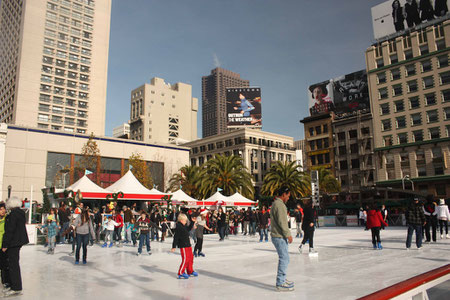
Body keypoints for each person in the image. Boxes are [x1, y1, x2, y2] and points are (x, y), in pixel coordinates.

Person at [2, 197, 29, 297]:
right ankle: (14, 285)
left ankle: (16, 287)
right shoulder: (20, 213)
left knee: (13, 265)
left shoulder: (13, 215)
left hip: (13, 243)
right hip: (18, 241)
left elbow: (10, 231)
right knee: (13, 264)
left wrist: (5, 244)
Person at [270, 187, 294, 292]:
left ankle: (282, 278)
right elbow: (282, 222)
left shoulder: (276, 203)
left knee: (285, 258)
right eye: (288, 196)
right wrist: (288, 234)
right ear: (284, 194)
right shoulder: (280, 205)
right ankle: (280, 282)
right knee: (284, 258)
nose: (288, 198)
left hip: (278, 235)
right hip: (279, 236)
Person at [171, 213, 198, 279]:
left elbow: (188, 229)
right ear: (181, 220)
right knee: (185, 259)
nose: (186, 221)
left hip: (188, 244)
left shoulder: (184, 226)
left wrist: (192, 222)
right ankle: (181, 273)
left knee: (190, 258)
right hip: (183, 245)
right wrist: (174, 246)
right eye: (185, 220)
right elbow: (176, 237)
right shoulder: (178, 227)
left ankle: (190, 271)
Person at [0, 203, 10, 292]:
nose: (3, 211)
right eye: (1, 209)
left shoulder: (7, 219)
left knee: (4, 266)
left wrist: (6, 245)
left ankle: (5, 282)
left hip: (4, 246)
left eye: (3, 209)